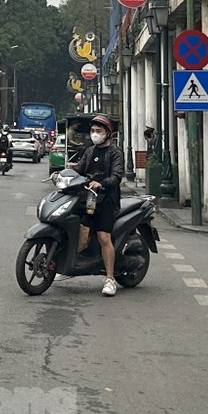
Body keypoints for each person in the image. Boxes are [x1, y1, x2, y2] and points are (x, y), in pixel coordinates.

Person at [70, 115, 126, 296]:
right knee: (74, 225)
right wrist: (69, 170)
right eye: (93, 131)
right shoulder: (90, 151)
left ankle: (110, 279)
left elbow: (117, 176)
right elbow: (80, 168)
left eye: (99, 131)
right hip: (89, 198)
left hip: (107, 201)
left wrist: (101, 183)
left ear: (108, 133)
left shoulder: (115, 152)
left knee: (103, 237)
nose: (95, 134)